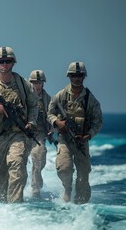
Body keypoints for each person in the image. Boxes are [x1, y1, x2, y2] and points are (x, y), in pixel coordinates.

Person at [0, 46, 39, 203]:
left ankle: (15, 205)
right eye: (1, 61)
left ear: (13, 63)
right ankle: (4, 204)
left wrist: (31, 121)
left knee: (16, 165)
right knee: (0, 175)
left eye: (8, 61)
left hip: (19, 134)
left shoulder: (24, 85)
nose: (5, 64)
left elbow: (34, 106)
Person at [47, 61, 102, 204]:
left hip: (81, 142)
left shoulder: (90, 99)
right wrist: (57, 123)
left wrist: (88, 135)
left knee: (83, 176)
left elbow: (98, 121)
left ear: (84, 77)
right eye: (73, 75)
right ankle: (67, 188)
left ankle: (80, 204)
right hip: (65, 139)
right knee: (64, 168)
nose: (77, 78)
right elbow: (50, 113)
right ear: (69, 76)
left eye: (79, 75)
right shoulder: (61, 95)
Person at [28, 70, 53, 199]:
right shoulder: (24, 95)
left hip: (39, 134)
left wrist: (51, 129)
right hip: (23, 133)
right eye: (34, 82)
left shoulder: (47, 99)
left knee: (40, 158)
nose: (37, 85)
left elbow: (53, 115)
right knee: (16, 161)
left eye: (39, 82)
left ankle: (35, 187)